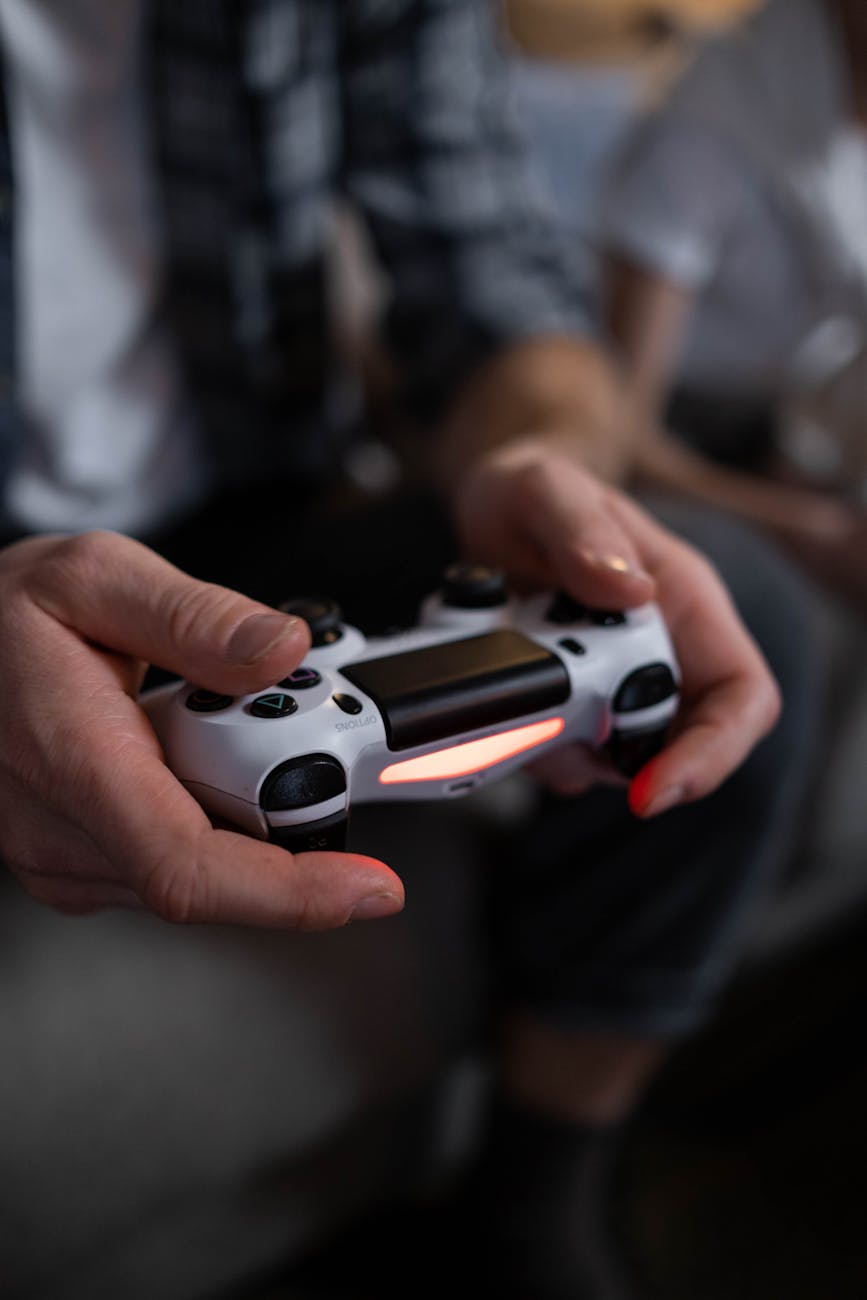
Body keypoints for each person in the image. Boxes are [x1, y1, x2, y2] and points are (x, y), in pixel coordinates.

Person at [0, 3, 820, 1299]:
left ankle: (534, 1196)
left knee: (729, 609)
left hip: (254, 515)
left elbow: (487, 271)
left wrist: (534, 449)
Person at [600, 0, 867, 608]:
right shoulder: (705, 141)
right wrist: (820, 535)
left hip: (783, 430)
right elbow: (622, 442)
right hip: (679, 442)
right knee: (771, 607)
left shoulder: (835, 142)